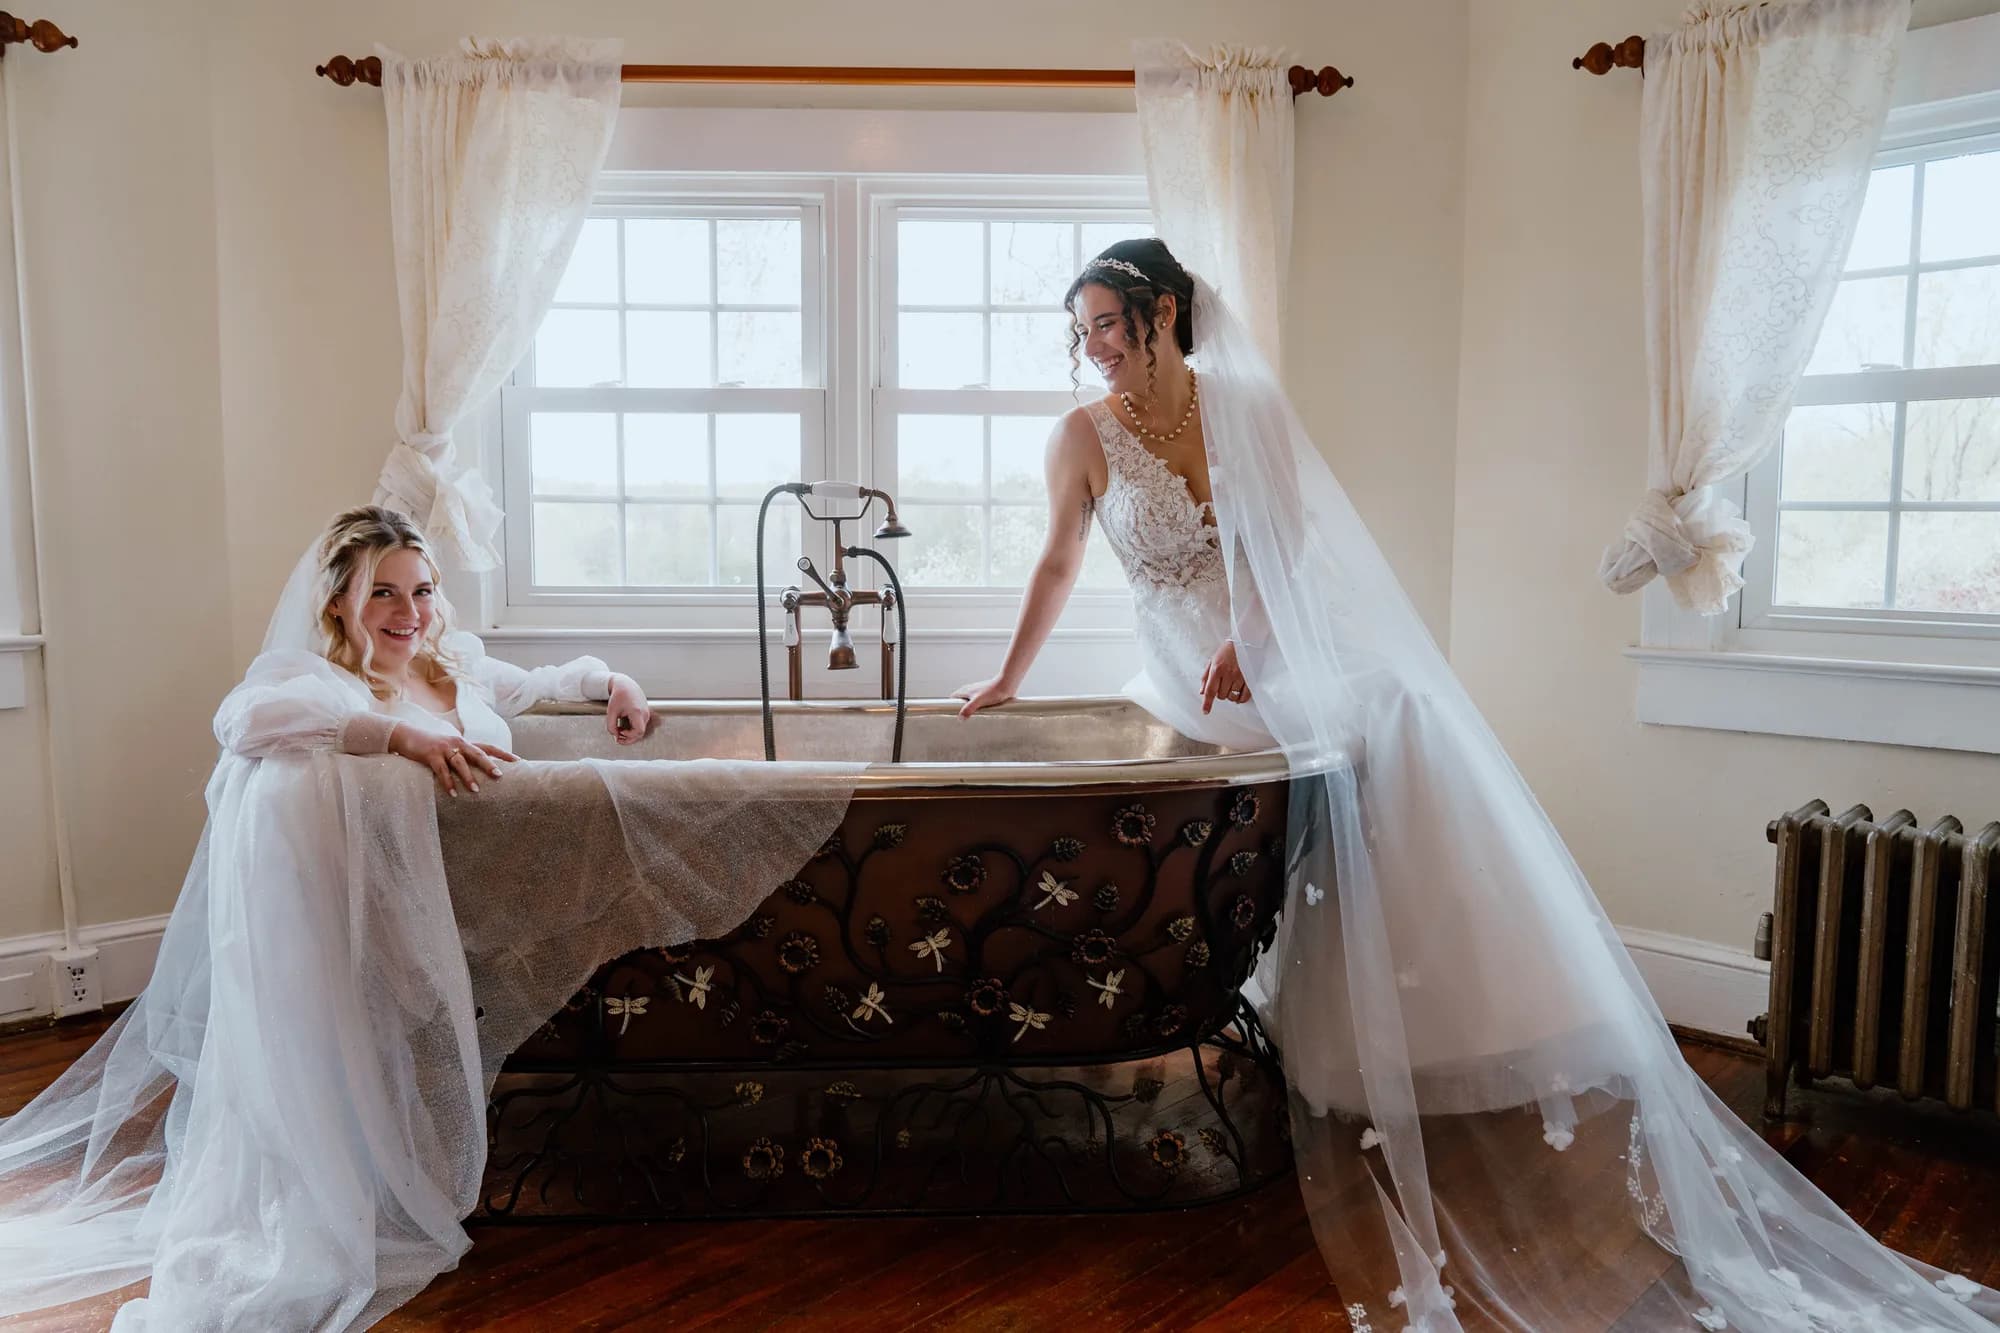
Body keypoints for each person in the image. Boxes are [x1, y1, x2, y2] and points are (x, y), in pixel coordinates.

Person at [958, 238, 1998, 1331]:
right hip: (1180, 674)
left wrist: (1251, 638)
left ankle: (1434, 1026)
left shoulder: (1243, 412)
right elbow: (1058, 563)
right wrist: (1006, 679)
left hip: (1267, 653)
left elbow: (1284, 542)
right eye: (1080, 334)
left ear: (1160, 311)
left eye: (1105, 327)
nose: (1092, 351)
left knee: (1398, 726)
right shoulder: (1079, 437)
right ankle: (1300, 1020)